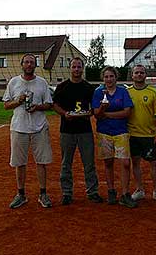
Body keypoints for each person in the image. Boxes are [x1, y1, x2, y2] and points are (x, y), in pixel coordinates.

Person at [3, 53, 53, 209]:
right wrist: (18, 101)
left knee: (42, 162)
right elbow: (6, 105)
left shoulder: (42, 83)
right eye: (26, 62)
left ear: (35, 65)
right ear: (22, 64)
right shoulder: (14, 82)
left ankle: (43, 194)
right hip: (19, 127)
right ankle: (21, 194)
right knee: (19, 162)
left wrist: (36, 107)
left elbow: (49, 104)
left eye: (32, 62)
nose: (29, 65)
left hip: (39, 127)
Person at [52, 57, 103, 205]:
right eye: (74, 67)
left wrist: (90, 113)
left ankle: (92, 192)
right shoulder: (62, 87)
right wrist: (64, 114)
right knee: (65, 163)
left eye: (79, 67)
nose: (76, 69)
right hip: (67, 131)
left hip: (84, 130)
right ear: (70, 68)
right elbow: (55, 105)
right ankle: (67, 193)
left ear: (83, 68)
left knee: (89, 163)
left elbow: (93, 108)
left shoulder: (88, 87)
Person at [92, 66, 137, 208]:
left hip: (121, 131)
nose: (109, 79)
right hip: (104, 132)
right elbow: (96, 114)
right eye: (106, 77)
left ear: (116, 77)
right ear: (103, 78)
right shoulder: (99, 92)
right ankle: (111, 191)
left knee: (125, 163)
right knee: (108, 163)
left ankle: (125, 194)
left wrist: (107, 115)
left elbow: (127, 112)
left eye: (111, 76)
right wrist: (103, 109)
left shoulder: (123, 91)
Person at [127, 65, 156, 203]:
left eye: (141, 72)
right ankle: (139, 190)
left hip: (149, 135)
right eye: (136, 73)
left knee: (155, 163)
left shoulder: (153, 91)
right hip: (132, 134)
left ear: (145, 75)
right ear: (132, 76)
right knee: (135, 162)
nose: (139, 75)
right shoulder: (127, 92)